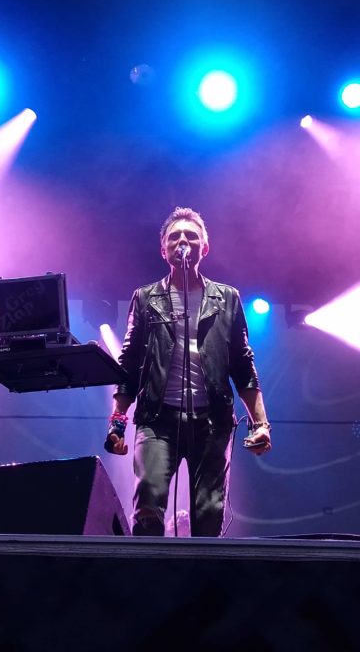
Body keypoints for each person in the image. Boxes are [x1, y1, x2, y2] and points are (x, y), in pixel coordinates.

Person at [105, 206, 271, 537]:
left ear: (204, 248)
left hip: (212, 422)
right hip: (157, 420)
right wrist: (117, 422)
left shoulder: (227, 298)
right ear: (163, 249)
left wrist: (260, 423)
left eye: (191, 236)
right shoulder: (145, 298)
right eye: (175, 236)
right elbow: (129, 363)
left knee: (208, 515)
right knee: (148, 506)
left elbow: (243, 364)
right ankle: (145, 569)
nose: (182, 240)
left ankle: (201, 572)